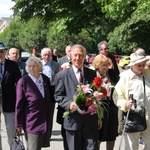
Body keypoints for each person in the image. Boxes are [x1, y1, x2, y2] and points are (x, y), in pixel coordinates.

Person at [54, 44, 98, 150]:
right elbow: (58, 95)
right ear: (70, 55)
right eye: (75, 55)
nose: (78, 58)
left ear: (85, 56)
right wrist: (69, 104)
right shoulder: (62, 75)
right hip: (72, 121)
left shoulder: (92, 74)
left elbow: (97, 93)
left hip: (90, 122)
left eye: (81, 55)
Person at [113, 51, 150, 150]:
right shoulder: (125, 77)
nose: (142, 67)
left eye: (143, 65)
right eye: (139, 65)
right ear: (132, 65)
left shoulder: (147, 74)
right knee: (131, 147)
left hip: (148, 118)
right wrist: (125, 103)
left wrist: (143, 56)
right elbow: (116, 96)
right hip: (133, 118)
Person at [15, 57, 52, 150]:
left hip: (45, 119)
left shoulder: (45, 79)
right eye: (29, 66)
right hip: (31, 121)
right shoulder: (23, 81)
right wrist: (18, 123)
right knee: (33, 147)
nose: (32, 68)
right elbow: (19, 104)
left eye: (34, 66)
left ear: (40, 67)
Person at [92, 54, 119, 150]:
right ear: (97, 65)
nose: (105, 67)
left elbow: (118, 88)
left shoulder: (112, 73)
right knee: (98, 134)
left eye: (107, 65)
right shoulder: (92, 75)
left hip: (112, 107)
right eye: (103, 65)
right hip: (98, 108)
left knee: (111, 134)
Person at [0, 42, 21, 149]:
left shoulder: (13, 65)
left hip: (10, 101)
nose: (0, 54)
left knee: (11, 129)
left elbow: (19, 83)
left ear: (5, 52)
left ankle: (13, 147)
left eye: (2, 51)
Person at [41, 47, 61, 139]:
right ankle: (41, 132)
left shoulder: (56, 65)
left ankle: (48, 134)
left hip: (51, 91)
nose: (47, 57)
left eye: (48, 55)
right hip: (40, 91)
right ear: (41, 56)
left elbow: (58, 78)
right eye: (45, 55)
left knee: (50, 113)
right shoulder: (38, 64)